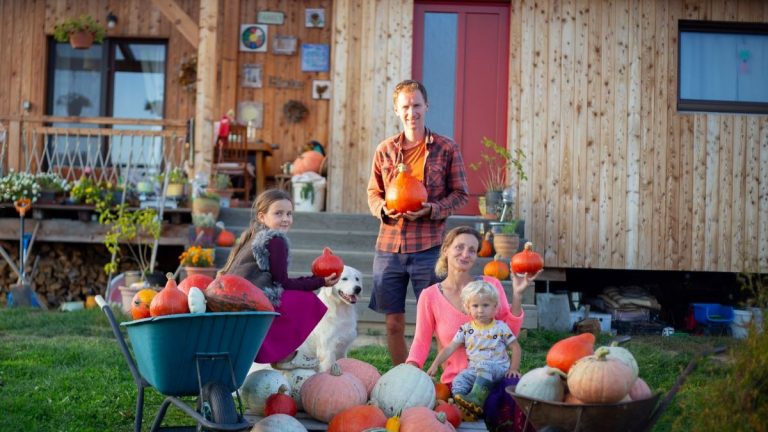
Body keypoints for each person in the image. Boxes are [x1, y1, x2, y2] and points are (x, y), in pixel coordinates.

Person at [367, 79, 469, 365]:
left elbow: (461, 194)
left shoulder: (446, 149)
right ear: (396, 111)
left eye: (416, 105)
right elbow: (373, 192)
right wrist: (384, 209)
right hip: (389, 247)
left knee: (440, 322)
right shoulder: (385, 150)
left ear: (426, 106)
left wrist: (432, 209)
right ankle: (402, 377)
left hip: (428, 247)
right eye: (405, 107)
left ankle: (443, 378)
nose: (411, 112)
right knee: (393, 323)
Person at [220, 189, 340, 368]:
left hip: (237, 299)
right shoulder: (275, 240)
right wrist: (319, 281)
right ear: (262, 216)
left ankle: (283, 355)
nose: (286, 218)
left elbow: (277, 281)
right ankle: (285, 355)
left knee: (289, 296)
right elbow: (283, 283)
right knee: (306, 300)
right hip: (250, 303)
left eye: (289, 214)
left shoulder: (252, 237)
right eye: (278, 213)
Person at [406, 226, 538, 388]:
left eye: (472, 250)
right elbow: (421, 340)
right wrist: (411, 368)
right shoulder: (430, 296)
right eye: (459, 247)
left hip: (494, 376)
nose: (465, 254)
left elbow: (510, 333)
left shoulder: (490, 285)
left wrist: (517, 295)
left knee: (512, 396)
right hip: (457, 381)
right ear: (446, 250)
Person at [426, 280, 522, 416]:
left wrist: (513, 369)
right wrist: (435, 364)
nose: (480, 310)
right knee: (459, 380)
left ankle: (476, 400)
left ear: (495, 307)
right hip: (476, 371)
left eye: (485, 305)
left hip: (497, 368)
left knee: (485, 365)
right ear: (468, 308)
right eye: (475, 306)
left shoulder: (500, 327)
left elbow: (515, 347)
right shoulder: (466, 330)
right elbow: (449, 348)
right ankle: (464, 407)